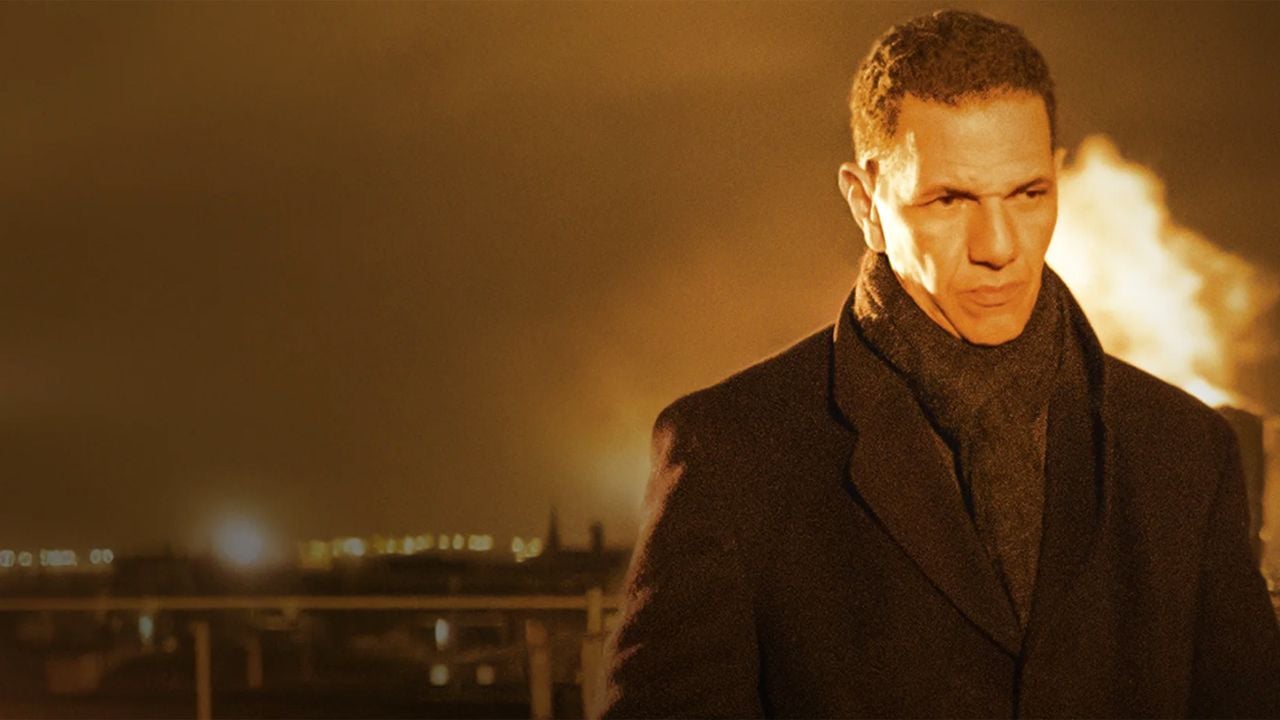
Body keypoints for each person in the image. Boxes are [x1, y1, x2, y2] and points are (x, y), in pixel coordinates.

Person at [598, 9, 1280, 719]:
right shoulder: (732, 453)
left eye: (1028, 194)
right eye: (950, 199)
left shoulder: (1184, 452)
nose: (998, 246)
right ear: (866, 204)